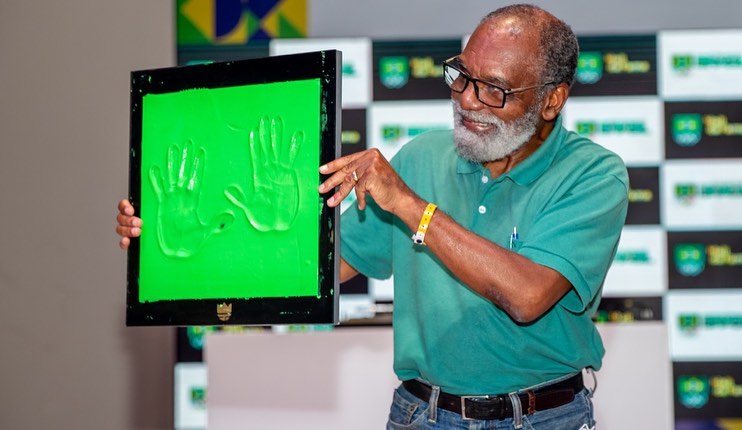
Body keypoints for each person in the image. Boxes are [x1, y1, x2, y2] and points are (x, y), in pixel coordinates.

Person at [118, 4, 628, 429]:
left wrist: (411, 206)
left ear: (551, 99)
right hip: (420, 415)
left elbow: (527, 295)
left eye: (493, 89)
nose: (466, 100)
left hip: (542, 418)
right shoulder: (422, 156)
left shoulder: (594, 175)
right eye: (462, 75)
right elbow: (323, 273)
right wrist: (179, 251)